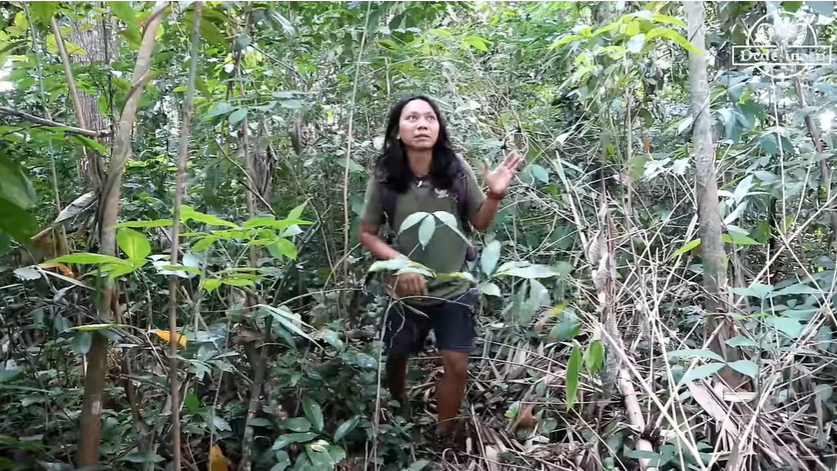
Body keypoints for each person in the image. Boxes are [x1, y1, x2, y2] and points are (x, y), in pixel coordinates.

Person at [358, 95, 521, 441]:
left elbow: (479, 224)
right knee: (398, 353)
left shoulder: (455, 170)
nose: (421, 124)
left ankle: (443, 435)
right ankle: (399, 409)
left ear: (439, 127)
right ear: (397, 130)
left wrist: (494, 196)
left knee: (457, 365)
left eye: (429, 118)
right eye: (412, 118)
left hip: (455, 286)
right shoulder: (386, 175)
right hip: (407, 289)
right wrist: (400, 264)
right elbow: (367, 233)